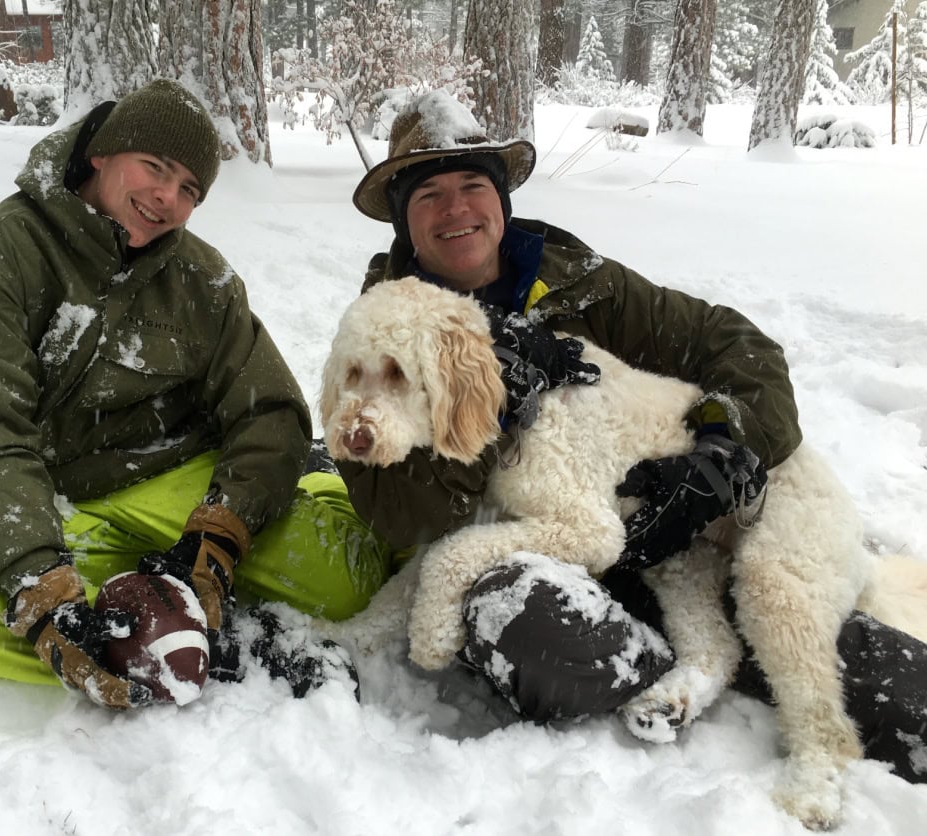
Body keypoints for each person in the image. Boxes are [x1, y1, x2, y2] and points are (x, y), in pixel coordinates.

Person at [339, 90, 927, 782]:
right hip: (569, 552)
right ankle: (687, 660)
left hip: (722, 516)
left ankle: (780, 667)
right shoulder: (379, 334)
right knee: (531, 627)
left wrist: (721, 454)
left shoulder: (585, 286)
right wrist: (492, 414)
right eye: (429, 194)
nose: (457, 210)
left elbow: (739, 348)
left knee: (892, 693)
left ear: (500, 197)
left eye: (473, 185)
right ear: (404, 220)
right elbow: (409, 517)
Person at [0, 79, 390, 709]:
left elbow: (269, 412)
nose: (166, 198)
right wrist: (41, 585)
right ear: (101, 151)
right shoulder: (0, 251)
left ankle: (307, 488)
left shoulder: (202, 279)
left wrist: (222, 531)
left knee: (348, 584)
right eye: (155, 168)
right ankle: (205, 653)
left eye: (189, 190)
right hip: (62, 502)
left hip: (179, 483)